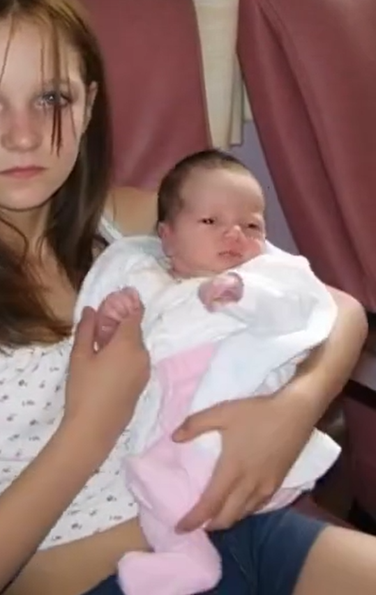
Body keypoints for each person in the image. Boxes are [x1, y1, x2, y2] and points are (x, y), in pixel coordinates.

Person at [0, 0, 376, 594]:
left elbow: (336, 310)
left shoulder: (122, 223)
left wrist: (291, 411)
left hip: (244, 534)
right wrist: (92, 424)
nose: (23, 135)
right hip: (103, 580)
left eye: (52, 98)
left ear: (89, 105)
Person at [81, 150, 342, 595]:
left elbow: (302, 308)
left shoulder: (265, 275)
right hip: (167, 423)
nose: (234, 233)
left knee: (181, 479)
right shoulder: (145, 278)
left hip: (235, 408)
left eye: (252, 226)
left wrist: (245, 293)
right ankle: (185, 558)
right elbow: (113, 349)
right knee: (149, 481)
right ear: (167, 237)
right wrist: (112, 320)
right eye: (210, 222)